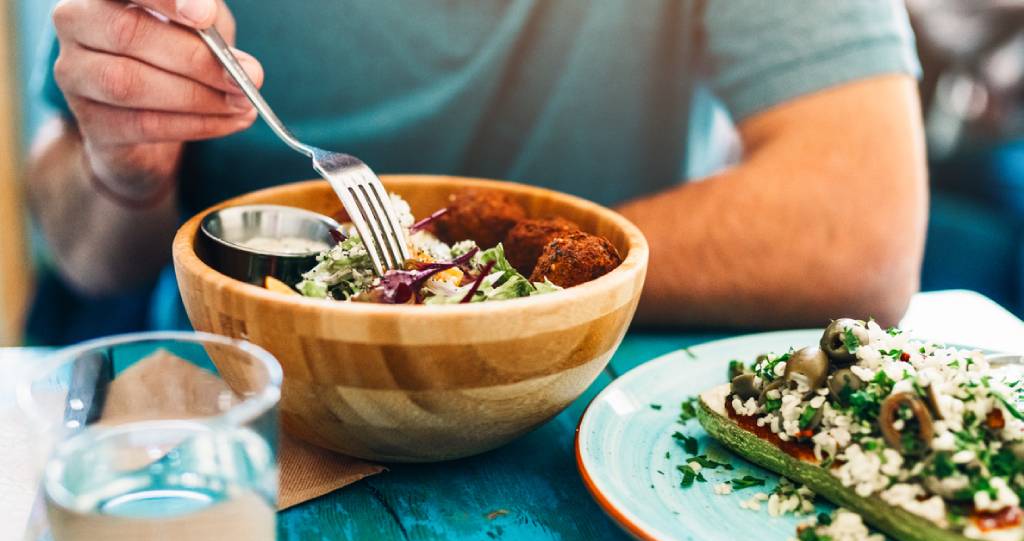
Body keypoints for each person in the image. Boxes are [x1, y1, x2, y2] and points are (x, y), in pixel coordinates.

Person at [26, 0, 927, 337]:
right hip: (228, 403)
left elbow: (861, 227)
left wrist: (496, 297)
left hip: (590, 402)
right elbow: (82, 247)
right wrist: (125, 172)